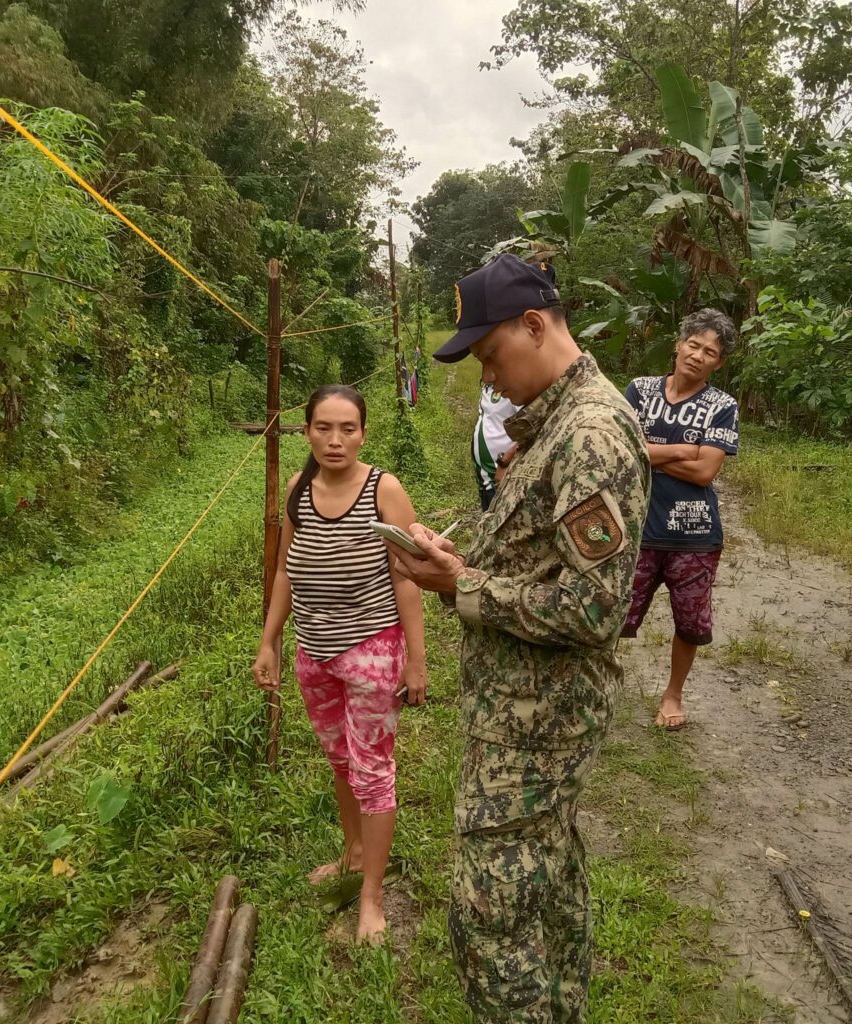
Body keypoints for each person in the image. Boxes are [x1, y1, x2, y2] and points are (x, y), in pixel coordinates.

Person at [384, 254, 649, 1023]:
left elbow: (595, 609)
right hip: (526, 711)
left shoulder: (590, 434)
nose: (489, 382)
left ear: (535, 325)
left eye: (491, 357)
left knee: (490, 911)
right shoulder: (553, 426)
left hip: (540, 720)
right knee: (549, 877)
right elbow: (542, 563)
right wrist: (461, 564)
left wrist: (459, 588)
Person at [252, 384, 427, 943]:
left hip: (373, 652)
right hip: (315, 653)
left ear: (363, 433)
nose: (335, 439)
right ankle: (353, 853)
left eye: (347, 428)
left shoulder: (385, 490)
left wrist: (416, 662)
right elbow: (285, 571)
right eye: (323, 428)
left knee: (372, 771)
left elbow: (409, 578)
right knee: (340, 762)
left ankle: (372, 896)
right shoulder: (299, 489)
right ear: (306, 432)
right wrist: (269, 641)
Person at [620, 310, 740, 730]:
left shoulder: (722, 406)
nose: (698, 355)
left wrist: (650, 451)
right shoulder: (639, 390)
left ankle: (673, 694)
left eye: (710, 352)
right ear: (678, 344)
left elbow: (706, 471)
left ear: (718, 363)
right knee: (613, 613)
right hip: (635, 529)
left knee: (690, 622)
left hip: (694, 533)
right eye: (694, 344)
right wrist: (684, 450)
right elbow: (621, 449)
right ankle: (596, 682)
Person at [473, 383, 520, 510]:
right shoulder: (488, 386)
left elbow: (533, 427)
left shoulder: (513, 387)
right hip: (485, 477)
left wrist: (504, 462)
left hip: (499, 474)